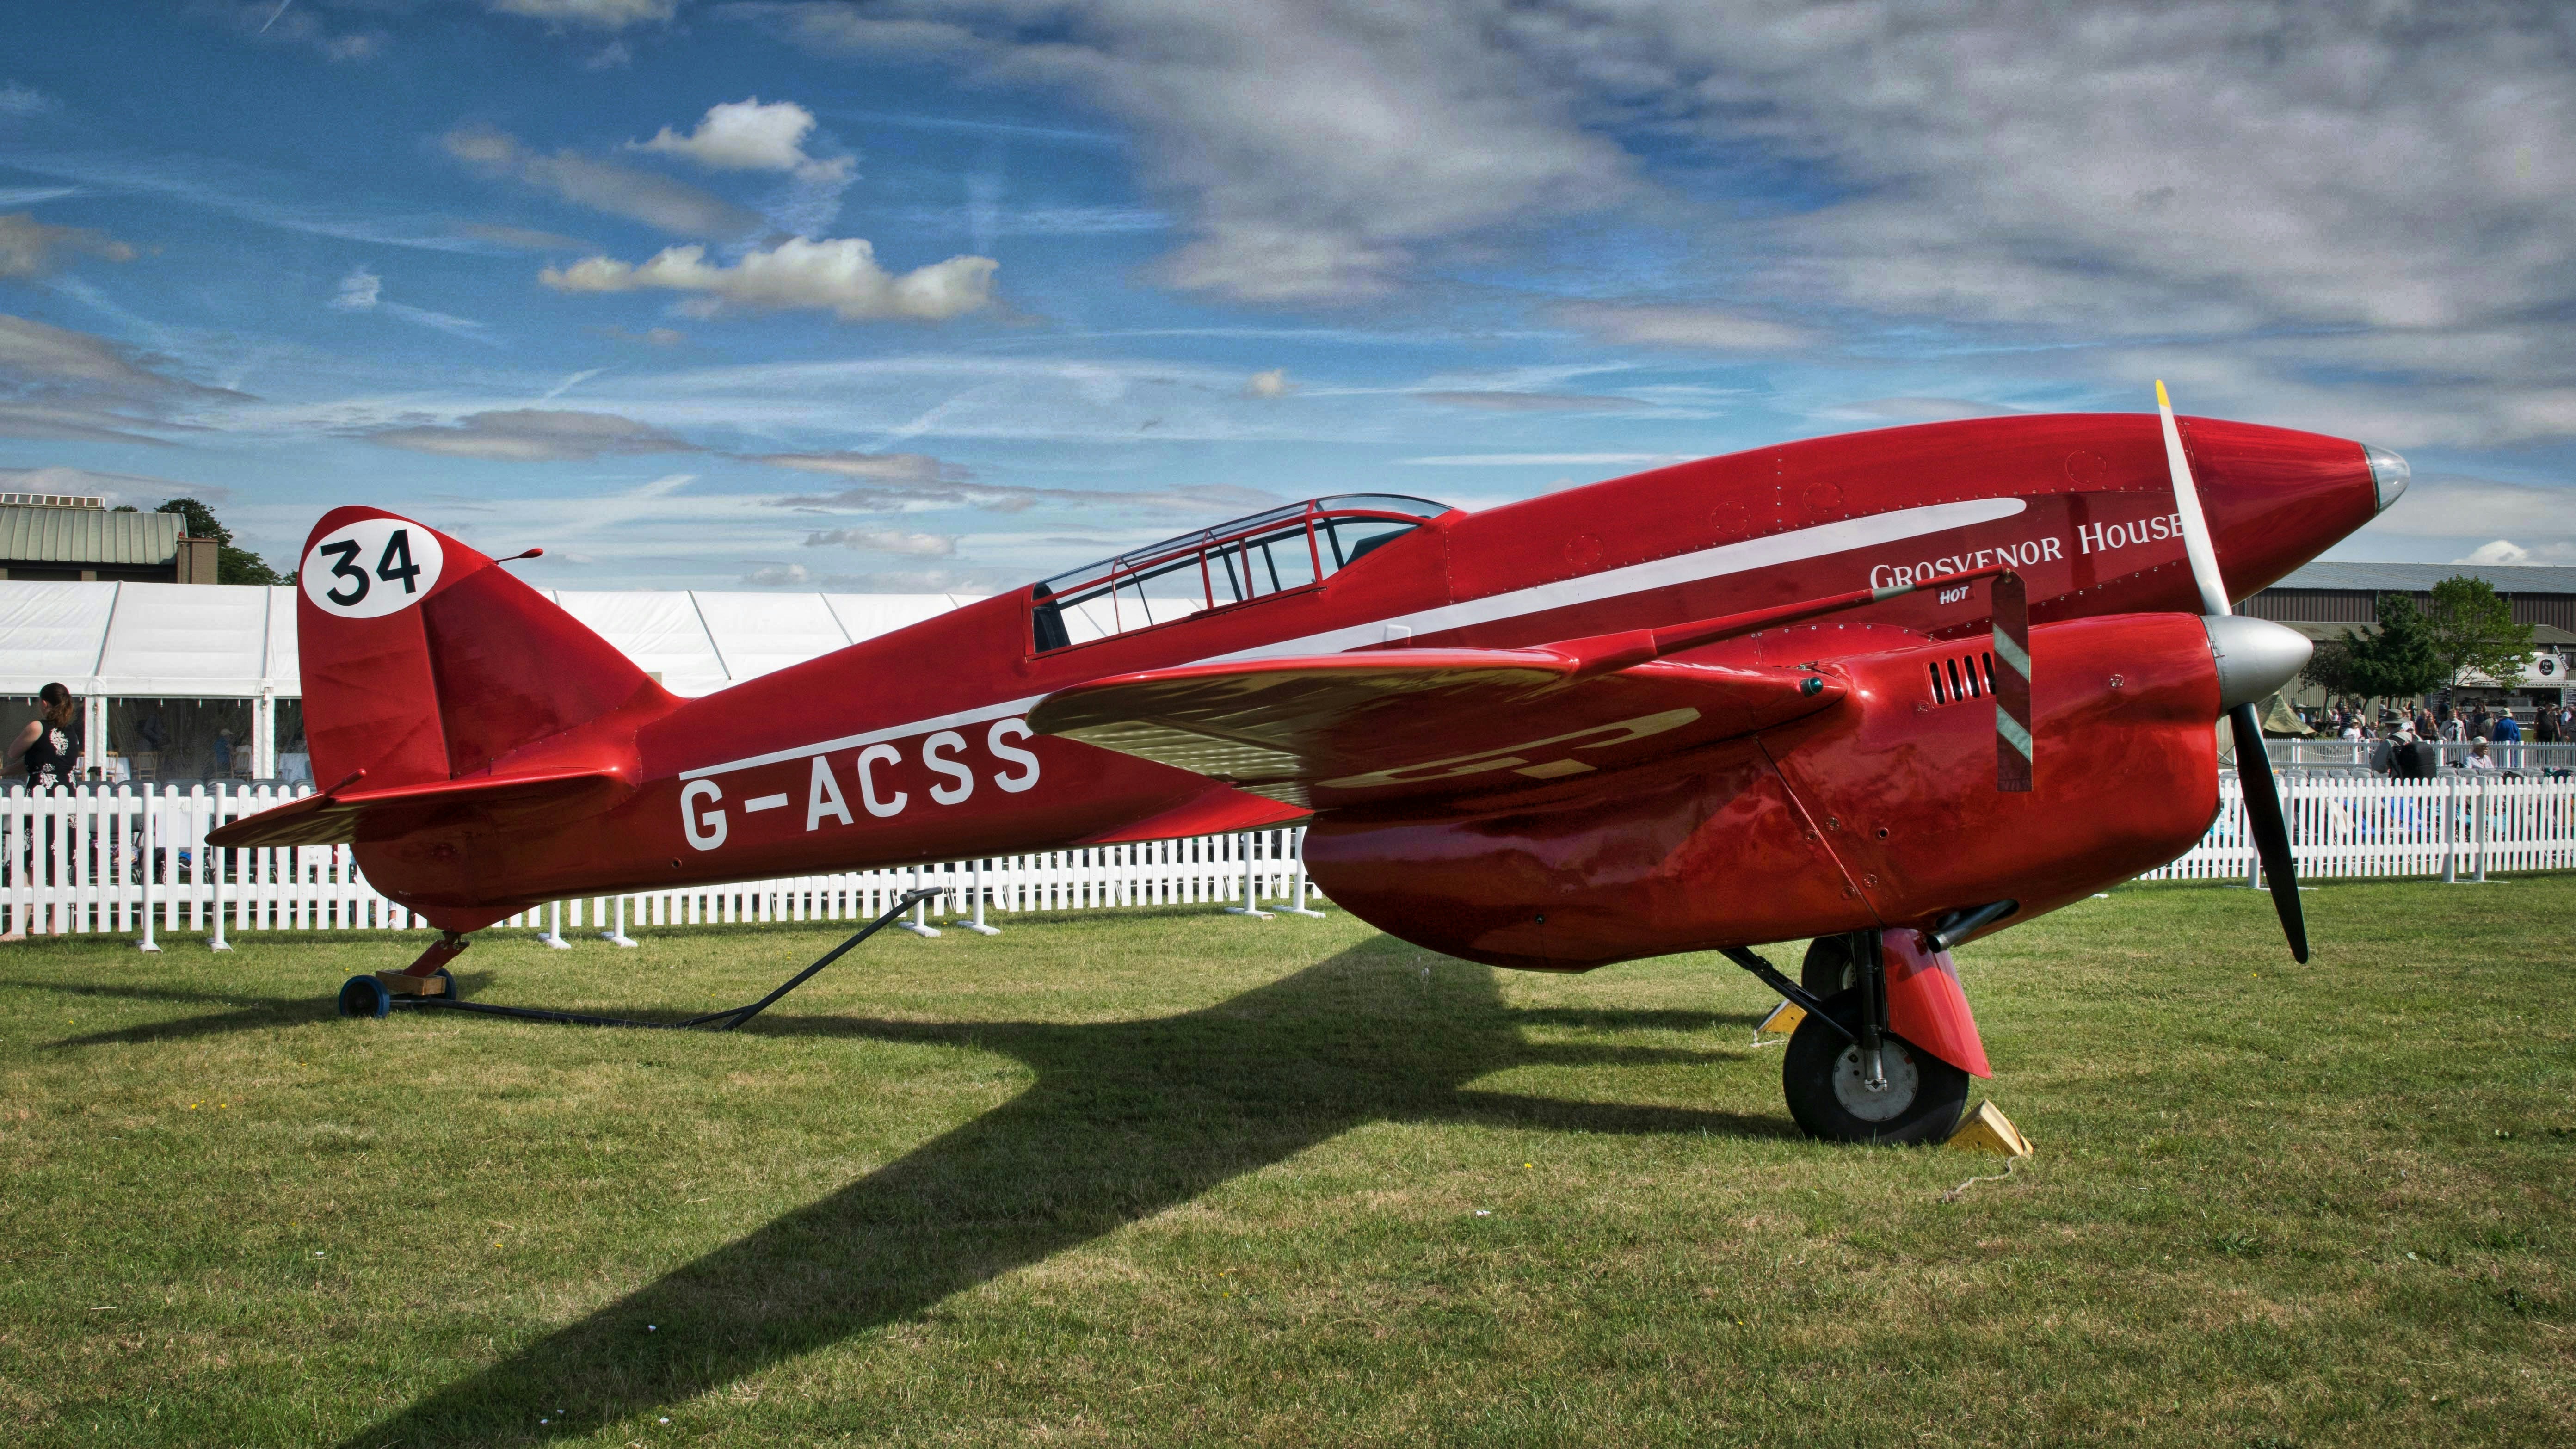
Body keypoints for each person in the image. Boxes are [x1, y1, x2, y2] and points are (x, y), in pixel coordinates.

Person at [7, 684, 79, 789]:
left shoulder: (37, 727)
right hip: (70, 790)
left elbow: (13, 753)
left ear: (45, 704)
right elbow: (39, 763)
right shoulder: (71, 731)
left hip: (43, 789)